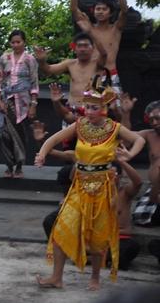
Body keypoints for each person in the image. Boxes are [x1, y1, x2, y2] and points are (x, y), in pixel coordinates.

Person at [35, 77, 145, 290]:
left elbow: (139, 139)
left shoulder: (115, 128)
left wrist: (130, 154)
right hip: (79, 187)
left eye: (94, 108)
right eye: (87, 107)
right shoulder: (80, 125)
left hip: (103, 188)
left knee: (97, 238)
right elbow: (53, 139)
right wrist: (42, 154)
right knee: (61, 229)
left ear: (104, 109)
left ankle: (95, 278)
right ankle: (56, 278)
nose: (89, 111)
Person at [68, 0, 128, 96]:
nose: (100, 12)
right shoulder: (89, 27)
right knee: (90, 107)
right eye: (98, 9)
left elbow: (124, 11)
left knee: (115, 106)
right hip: (93, 75)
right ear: (93, 12)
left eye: (104, 9)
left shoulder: (115, 29)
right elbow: (74, 9)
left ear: (110, 13)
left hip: (111, 74)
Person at [0, 30, 39, 178]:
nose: (15, 45)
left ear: (24, 42)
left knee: (21, 133)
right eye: (13, 42)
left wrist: (33, 104)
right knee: (5, 134)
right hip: (7, 100)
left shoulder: (30, 59)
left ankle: (19, 167)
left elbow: (34, 82)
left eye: (18, 42)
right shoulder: (4, 58)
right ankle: (8, 165)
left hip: (23, 102)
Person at [34, 32, 106, 110]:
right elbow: (48, 70)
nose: (82, 49)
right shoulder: (70, 64)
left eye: (86, 46)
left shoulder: (98, 63)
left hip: (93, 110)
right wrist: (41, 61)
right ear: (74, 48)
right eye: (79, 46)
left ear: (93, 48)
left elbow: (104, 54)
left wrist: (93, 34)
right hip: (73, 109)